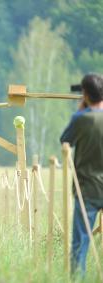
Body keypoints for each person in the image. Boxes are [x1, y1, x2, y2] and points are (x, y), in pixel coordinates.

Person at [60, 73, 103, 276]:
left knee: (80, 243)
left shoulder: (81, 119)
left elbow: (65, 140)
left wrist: (81, 110)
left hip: (87, 189)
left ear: (85, 94)